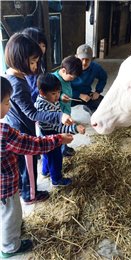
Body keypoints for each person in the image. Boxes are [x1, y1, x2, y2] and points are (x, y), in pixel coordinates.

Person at [0, 76, 73, 258]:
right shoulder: (4, 132)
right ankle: (10, 246)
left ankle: (10, 232)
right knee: (11, 212)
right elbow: (32, 145)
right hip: (6, 186)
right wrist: (59, 139)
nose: (10, 107)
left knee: (7, 213)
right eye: (7, 102)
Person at [4, 32, 73, 204]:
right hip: (22, 131)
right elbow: (32, 113)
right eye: (33, 62)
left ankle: (24, 187)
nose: (35, 67)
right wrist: (59, 115)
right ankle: (30, 195)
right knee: (29, 165)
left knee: (25, 165)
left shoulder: (15, 76)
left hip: (21, 126)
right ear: (20, 60)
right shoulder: (18, 85)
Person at [35, 73, 85, 185]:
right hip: (50, 133)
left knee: (47, 155)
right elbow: (59, 127)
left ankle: (45, 171)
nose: (57, 96)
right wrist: (75, 128)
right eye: (54, 93)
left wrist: (61, 98)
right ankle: (56, 179)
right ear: (42, 92)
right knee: (56, 157)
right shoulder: (45, 108)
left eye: (58, 92)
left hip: (45, 133)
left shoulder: (46, 99)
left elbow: (58, 112)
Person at [52, 55, 83, 156]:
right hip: (57, 113)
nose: (72, 79)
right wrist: (60, 96)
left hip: (66, 109)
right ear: (63, 70)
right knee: (59, 130)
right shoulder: (52, 79)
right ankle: (60, 149)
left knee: (66, 129)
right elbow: (48, 94)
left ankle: (64, 146)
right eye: (71, 77)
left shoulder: (67, 78)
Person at [71, 44, 108, 114]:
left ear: (91, 59)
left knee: (105, 105)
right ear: (76, 57)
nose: (84, 63)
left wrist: (98, 91)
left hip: (87, 95)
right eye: (82, 59)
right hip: (70, 95)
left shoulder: (95, 67)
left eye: (87, 60)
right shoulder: (69, 66)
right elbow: (62, 87)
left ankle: (90, 109)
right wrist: (79, 95)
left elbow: (104, 77)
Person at [22, 27, 48, 102]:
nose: (42, 48)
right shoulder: (28, 66)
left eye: (44, 45)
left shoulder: (40, 61)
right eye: (39, 44)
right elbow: (32, 90)